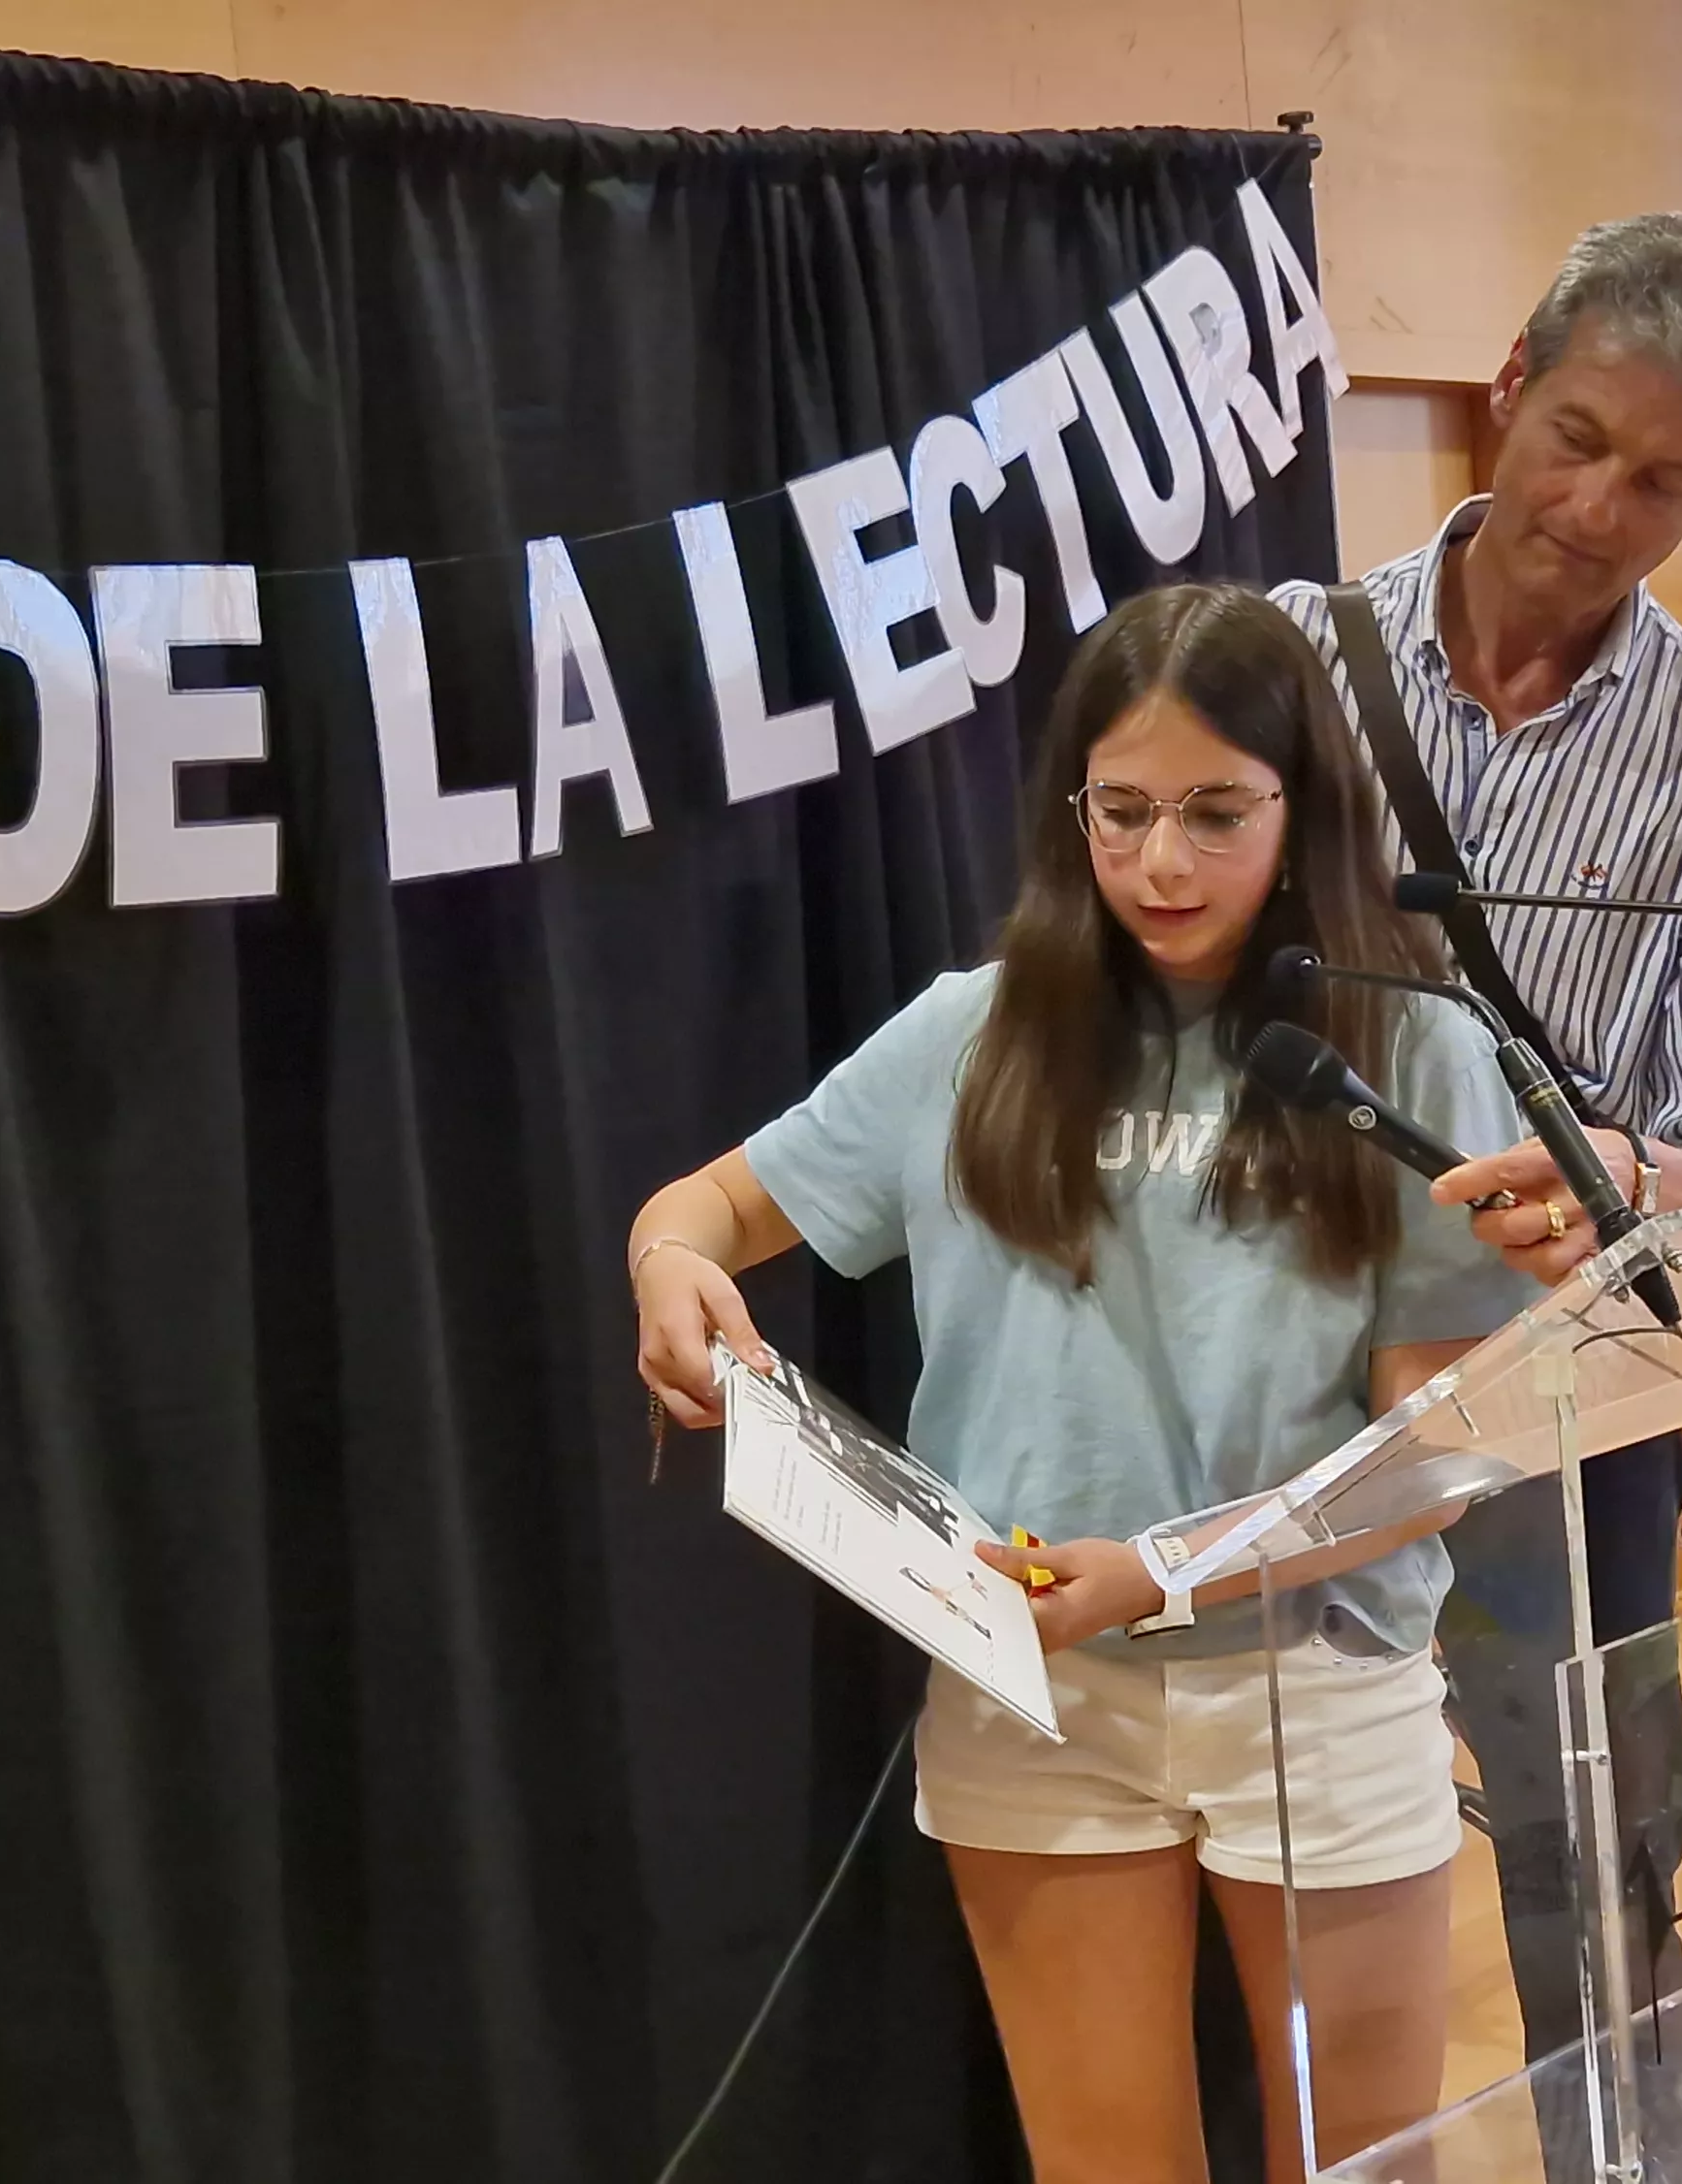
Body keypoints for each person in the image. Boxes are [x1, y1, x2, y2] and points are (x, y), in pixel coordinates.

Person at [625, 585, 1534, 2184]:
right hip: (1031, 1686)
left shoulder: (1401, 1042)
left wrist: (1164, 1569)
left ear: (1298, 808)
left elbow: (1426, 1453)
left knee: (1374, 2164)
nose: (1161, 865)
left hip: (1314, 1676)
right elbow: (703, 1204)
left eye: (1213, 814)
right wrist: (667, 1267)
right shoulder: (971, 1036)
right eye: (1120, 812)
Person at [1271, 210, 1682, 2164]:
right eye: (1574, 436)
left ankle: (1627, 2155)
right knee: (1257, 1817)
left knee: (1587, 1832)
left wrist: (1637, 1167)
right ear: (1505, 390)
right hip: (1248, 1364)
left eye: (1661, 478)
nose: (1594, 506)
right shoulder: (1275, 669)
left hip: (1551, 1389)